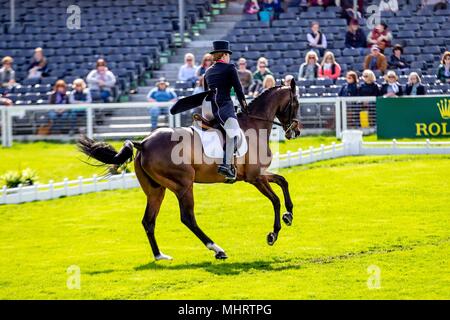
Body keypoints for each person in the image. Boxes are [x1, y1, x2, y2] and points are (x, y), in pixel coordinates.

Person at [203, 40, 248, 181]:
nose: (229, 57)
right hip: (225, 108)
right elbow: (239, 90)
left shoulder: (208, 72)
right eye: (228, 54)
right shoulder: (230, 68)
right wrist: (245, 105)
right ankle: (226, 165)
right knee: (234, 134)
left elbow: (206, 93)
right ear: (223, 55)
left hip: (211, 110)